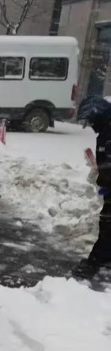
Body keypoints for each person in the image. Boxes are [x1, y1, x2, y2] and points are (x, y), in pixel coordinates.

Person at [72, 95, 111, 280]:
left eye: (91, 121)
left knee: (108, 225)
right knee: (107, 223)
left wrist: (105, 179)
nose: (91, 125)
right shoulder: (106, 132)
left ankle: (94, 263)